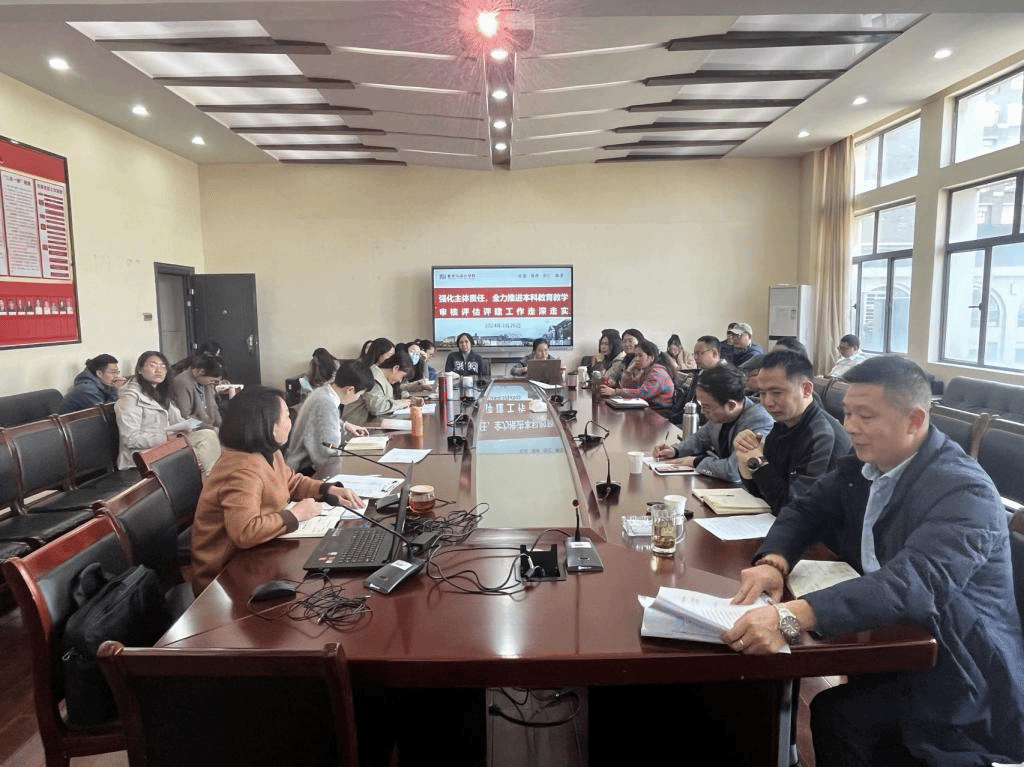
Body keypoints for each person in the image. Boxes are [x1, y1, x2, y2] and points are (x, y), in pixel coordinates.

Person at [722, 356, 1024, 767]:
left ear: (914, 420)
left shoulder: (963, 491)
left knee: (839, 717)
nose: (848, 426)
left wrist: (790, 617)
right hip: (895, 638)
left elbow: (912, 583)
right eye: (847, 413)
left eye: (864, 416)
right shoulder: (865, 464)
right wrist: (773, 563)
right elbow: (806, 510)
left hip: (960, 668)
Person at [190, 386, 363, 595]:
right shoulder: (241, 470)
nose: (291, 422)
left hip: (257, 556)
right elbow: (245, 532)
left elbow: (292, 482)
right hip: (224, 580)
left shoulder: (269, 452)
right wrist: (296, 514)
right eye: (287, 416)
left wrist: (328, 489)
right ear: (268, 425)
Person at [734, 349, 851, 513]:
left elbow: (794, 506)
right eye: (762, 393)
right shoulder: (784, 423)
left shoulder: (819, 433)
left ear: (806, 390)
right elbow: (762, 493)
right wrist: (745, 456)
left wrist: (758, 461)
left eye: (777, 393)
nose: (767, 402)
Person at [652, 364, 773, 482]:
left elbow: (734, 471)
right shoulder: (722, 414)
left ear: (731, 405)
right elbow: (700, 439)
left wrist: (694, 462)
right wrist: (675, 450)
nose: (702, 412)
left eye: (706, 407)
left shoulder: (759, 420)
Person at [286, 361, 374, 473]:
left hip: (306, 464)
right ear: (350, 390)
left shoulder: (323, 392)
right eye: (359, 395)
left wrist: (345, 425)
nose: (358, 398)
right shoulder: (326, 403)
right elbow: (327, 453)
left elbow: (322, 420)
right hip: (305, 471)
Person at [343, 348, 421, 426]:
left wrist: (409, 399)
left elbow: (390, 395)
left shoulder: (383, 377)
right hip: (357, 425)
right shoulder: (374, 377)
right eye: (402, 376)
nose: (400, 381)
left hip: (369, 423)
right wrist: (401, 403)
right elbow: (377, 407)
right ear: (396, 368)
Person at [598, 339, 674, 409]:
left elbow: (642, 394)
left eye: (640, 356)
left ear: (651, 358)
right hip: (649, 408)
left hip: (660, 412)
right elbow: (628, 386)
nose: (636, 359)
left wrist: (615, 392)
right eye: (636, 356)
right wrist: (629, 371)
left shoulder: (658, 373)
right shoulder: (645, 371)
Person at [169, 354, 224, 430]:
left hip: (208, 426)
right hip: (191, 429)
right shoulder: (182, 382)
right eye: (212, 380)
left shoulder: (206, 383)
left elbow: (214, 408)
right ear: (201, 372)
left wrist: (221, 427)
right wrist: (209, 428)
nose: (213, 384)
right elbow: (184, 415)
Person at [58, 354, 125, 413]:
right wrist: (116, 390)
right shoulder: (87, 389)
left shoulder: (100, 383)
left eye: (117, 372)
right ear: (99, 373)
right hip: (73, 422)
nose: (116, 376)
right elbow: (106, 412)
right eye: (113, 372)